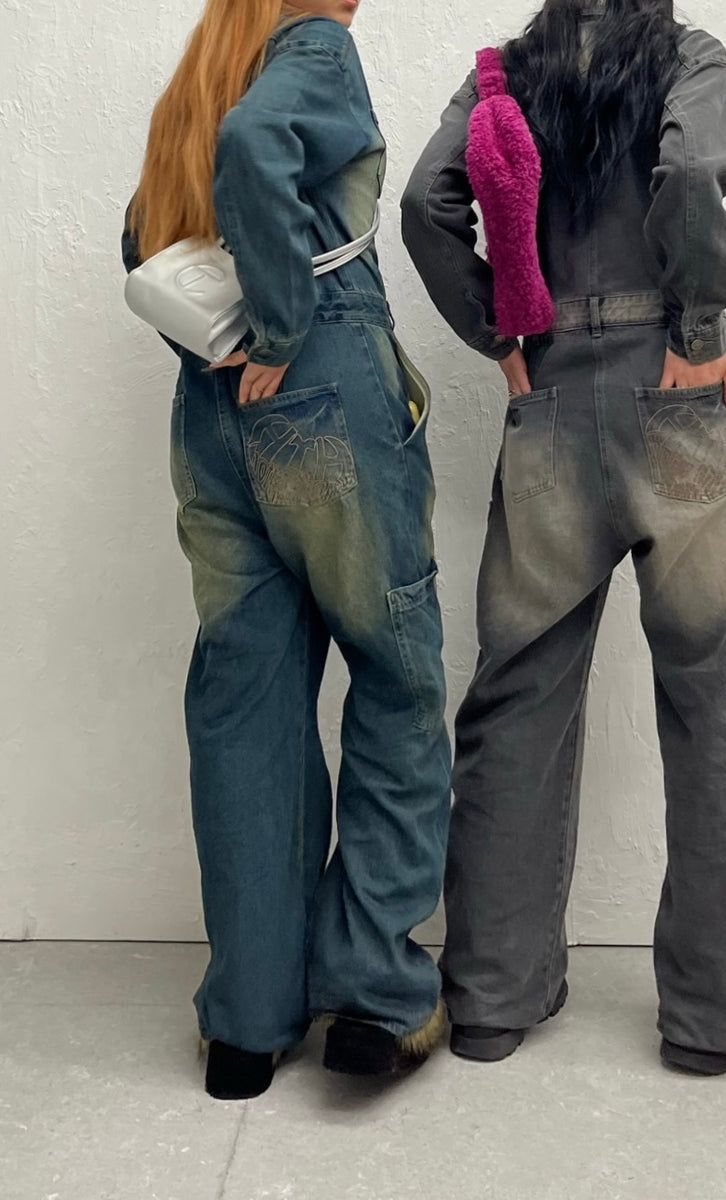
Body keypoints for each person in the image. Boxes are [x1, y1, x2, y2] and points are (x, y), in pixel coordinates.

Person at [402, 0, 726, 1077]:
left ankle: (490, 999)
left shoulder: (506, 74)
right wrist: (698, 330)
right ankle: (713, 1020)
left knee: (518, 698)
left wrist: (503, 337)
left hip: (554, 399)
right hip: (680, 390)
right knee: (722, 700)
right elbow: (690, 172)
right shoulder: (687, 55)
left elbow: (426, 204)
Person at [123, 0, 451, 1098]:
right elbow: (262, 142)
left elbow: (140, 245)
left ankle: (249, 1024)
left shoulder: (199, 82)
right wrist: (281, 322)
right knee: (397, 680)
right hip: (321, 403)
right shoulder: (316, 45)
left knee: (247, 697)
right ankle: (374, 997)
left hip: (210, 419)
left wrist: (226, 339)